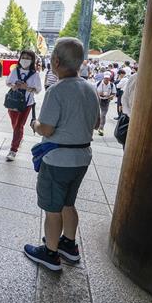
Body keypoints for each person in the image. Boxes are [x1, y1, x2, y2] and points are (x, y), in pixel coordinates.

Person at [24, 38, 100, 271]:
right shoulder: (90, 88)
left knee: (53, 209)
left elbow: (47, 129)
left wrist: (35, 123)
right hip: (82, 158)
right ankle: (69, 244)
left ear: (55, 61)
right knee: (69, 203)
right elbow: (96, 123)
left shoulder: (56, 90)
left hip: (58, 160)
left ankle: (50, 253)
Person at [5, 50, 42, 161]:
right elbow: (8, 82)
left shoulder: (35, 75)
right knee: (15, 124)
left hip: (26, 104)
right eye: (23, 57)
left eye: (28, 58)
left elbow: (38, 90)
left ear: (32, 61)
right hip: (12, 102)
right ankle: (19, 138)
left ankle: (13, 149)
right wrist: (14, 86)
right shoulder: (15, 70)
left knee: (18, 125)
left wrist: (27, 88)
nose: (25, 60)